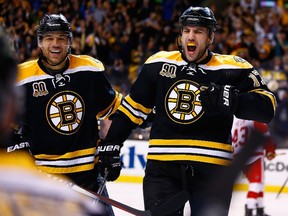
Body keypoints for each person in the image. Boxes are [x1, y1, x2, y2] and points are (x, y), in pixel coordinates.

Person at [98, 6, 277, 216]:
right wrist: (111, 144)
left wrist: (235, 100)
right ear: (180, 35)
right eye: (186, 31)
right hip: (163, 169)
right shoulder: (158, 64)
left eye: (198, 31)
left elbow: (267, 107)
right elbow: (131, 111)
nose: (191, 36)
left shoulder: (234, 68)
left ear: (210, 37)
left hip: (213, 171)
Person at [8, 14, 122, 216]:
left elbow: (119, 110)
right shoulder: (21, 78)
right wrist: (15, 144)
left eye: (61, 38)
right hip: (43, 182)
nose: (55, 44)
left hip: (88, 179)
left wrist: (112, 145)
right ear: (40, 42)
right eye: (49, 38)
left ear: (70, 42)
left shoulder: (88, 70)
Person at [232, 117, 276, 216]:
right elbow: (266, 135)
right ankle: (249, 210)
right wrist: (270, 150)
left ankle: (260, 209)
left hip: (241, 158)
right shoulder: (256, 120)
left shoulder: (236, 122)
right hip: (255, 156)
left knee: (259, 182)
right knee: (256, 184)